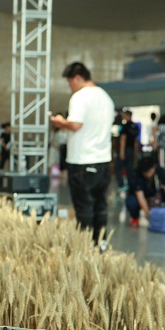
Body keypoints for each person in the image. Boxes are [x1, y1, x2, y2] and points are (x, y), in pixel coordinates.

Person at [50, 62, 114, 249]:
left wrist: (60, 122)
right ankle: (101, 244)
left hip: (83, 161)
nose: (70, 87)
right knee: (100, 206)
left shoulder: (80, 97)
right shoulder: (106, 97)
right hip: (103, 161)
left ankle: (85, 248)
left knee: (84, 208)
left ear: (78, 78)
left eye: (70, 82)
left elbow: (76, 124)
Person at [126, 157, 165, 227]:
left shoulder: (159, 171)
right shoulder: (135, 174)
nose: (148, 174)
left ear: (154, 167)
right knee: (131, 202)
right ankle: (135, 218)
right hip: (141, 198)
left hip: (156, 196)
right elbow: (140, 195)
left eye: (150, 171)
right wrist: (148, 214)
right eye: (145, 172)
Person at [115, 110, 139, 193]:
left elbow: (123, 139)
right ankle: (130, 184)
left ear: (127, 116)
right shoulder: (135, 126)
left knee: (118, 167)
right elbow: (136, 141)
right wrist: (135, 152)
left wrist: (122, 152)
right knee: (130, 168)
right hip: (131, 150)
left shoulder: (125, 126)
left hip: (124, 149)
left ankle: (121, 185)